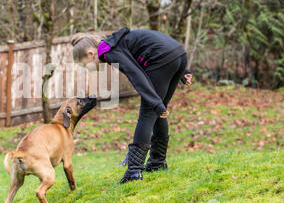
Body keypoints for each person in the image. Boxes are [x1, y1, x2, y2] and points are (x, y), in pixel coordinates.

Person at [71, 27, 193, 183]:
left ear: (90, 53)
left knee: (149, 111)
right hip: (178, 53)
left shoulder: (107, 51)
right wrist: (183, 69)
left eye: (84, 65)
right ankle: (157, 163)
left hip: (163, 58)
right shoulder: (115, 44)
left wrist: (154, 102)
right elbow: (156, 46)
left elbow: (135, 74)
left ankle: (134, 172)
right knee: (158, 111)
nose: (87, 69)